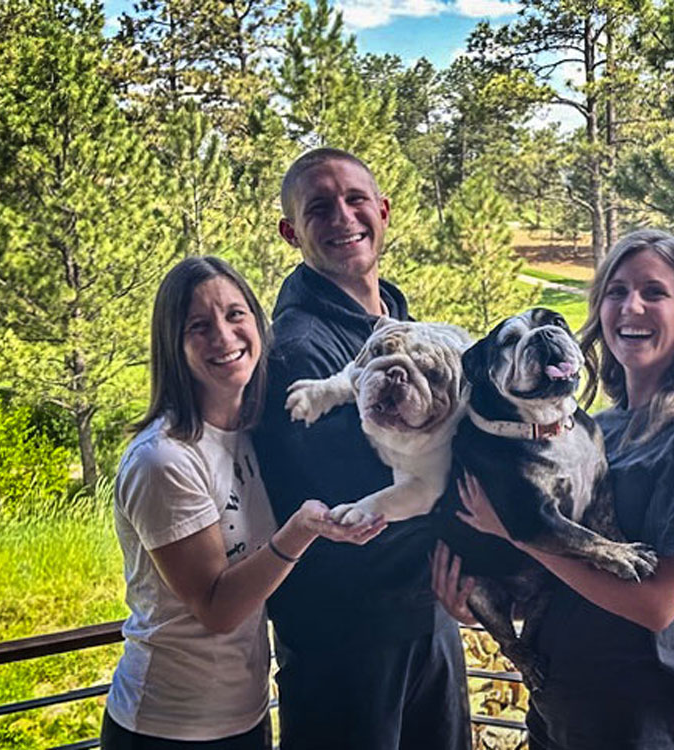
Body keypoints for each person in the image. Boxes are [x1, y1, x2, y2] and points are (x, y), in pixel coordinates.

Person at [433, 228, 674, 749]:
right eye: (616, 291)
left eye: (655, 292)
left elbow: (657, 606)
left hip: (645, 724)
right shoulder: (598, 429)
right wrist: (482, 599)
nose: (632, 307)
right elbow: (566, 586)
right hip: (562, 711)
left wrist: (520, 534)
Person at [102, 256, 384, 750]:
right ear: (173, 345)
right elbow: (217, 608)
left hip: (246, 714)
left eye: (236, 315)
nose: (224, 336)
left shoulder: (252, 432)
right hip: (168, 727)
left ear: (257, 322)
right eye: (199, 325)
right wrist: (301, 530)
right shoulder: (164, 459)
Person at [251, 148, 471, 750]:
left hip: (426, 619)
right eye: (318, 208)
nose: (342, 217)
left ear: (384, 210)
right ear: (290, 232)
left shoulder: (397, 322)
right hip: (345, 637)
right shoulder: (297, 351)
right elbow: (359, 497)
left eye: (354, 200)